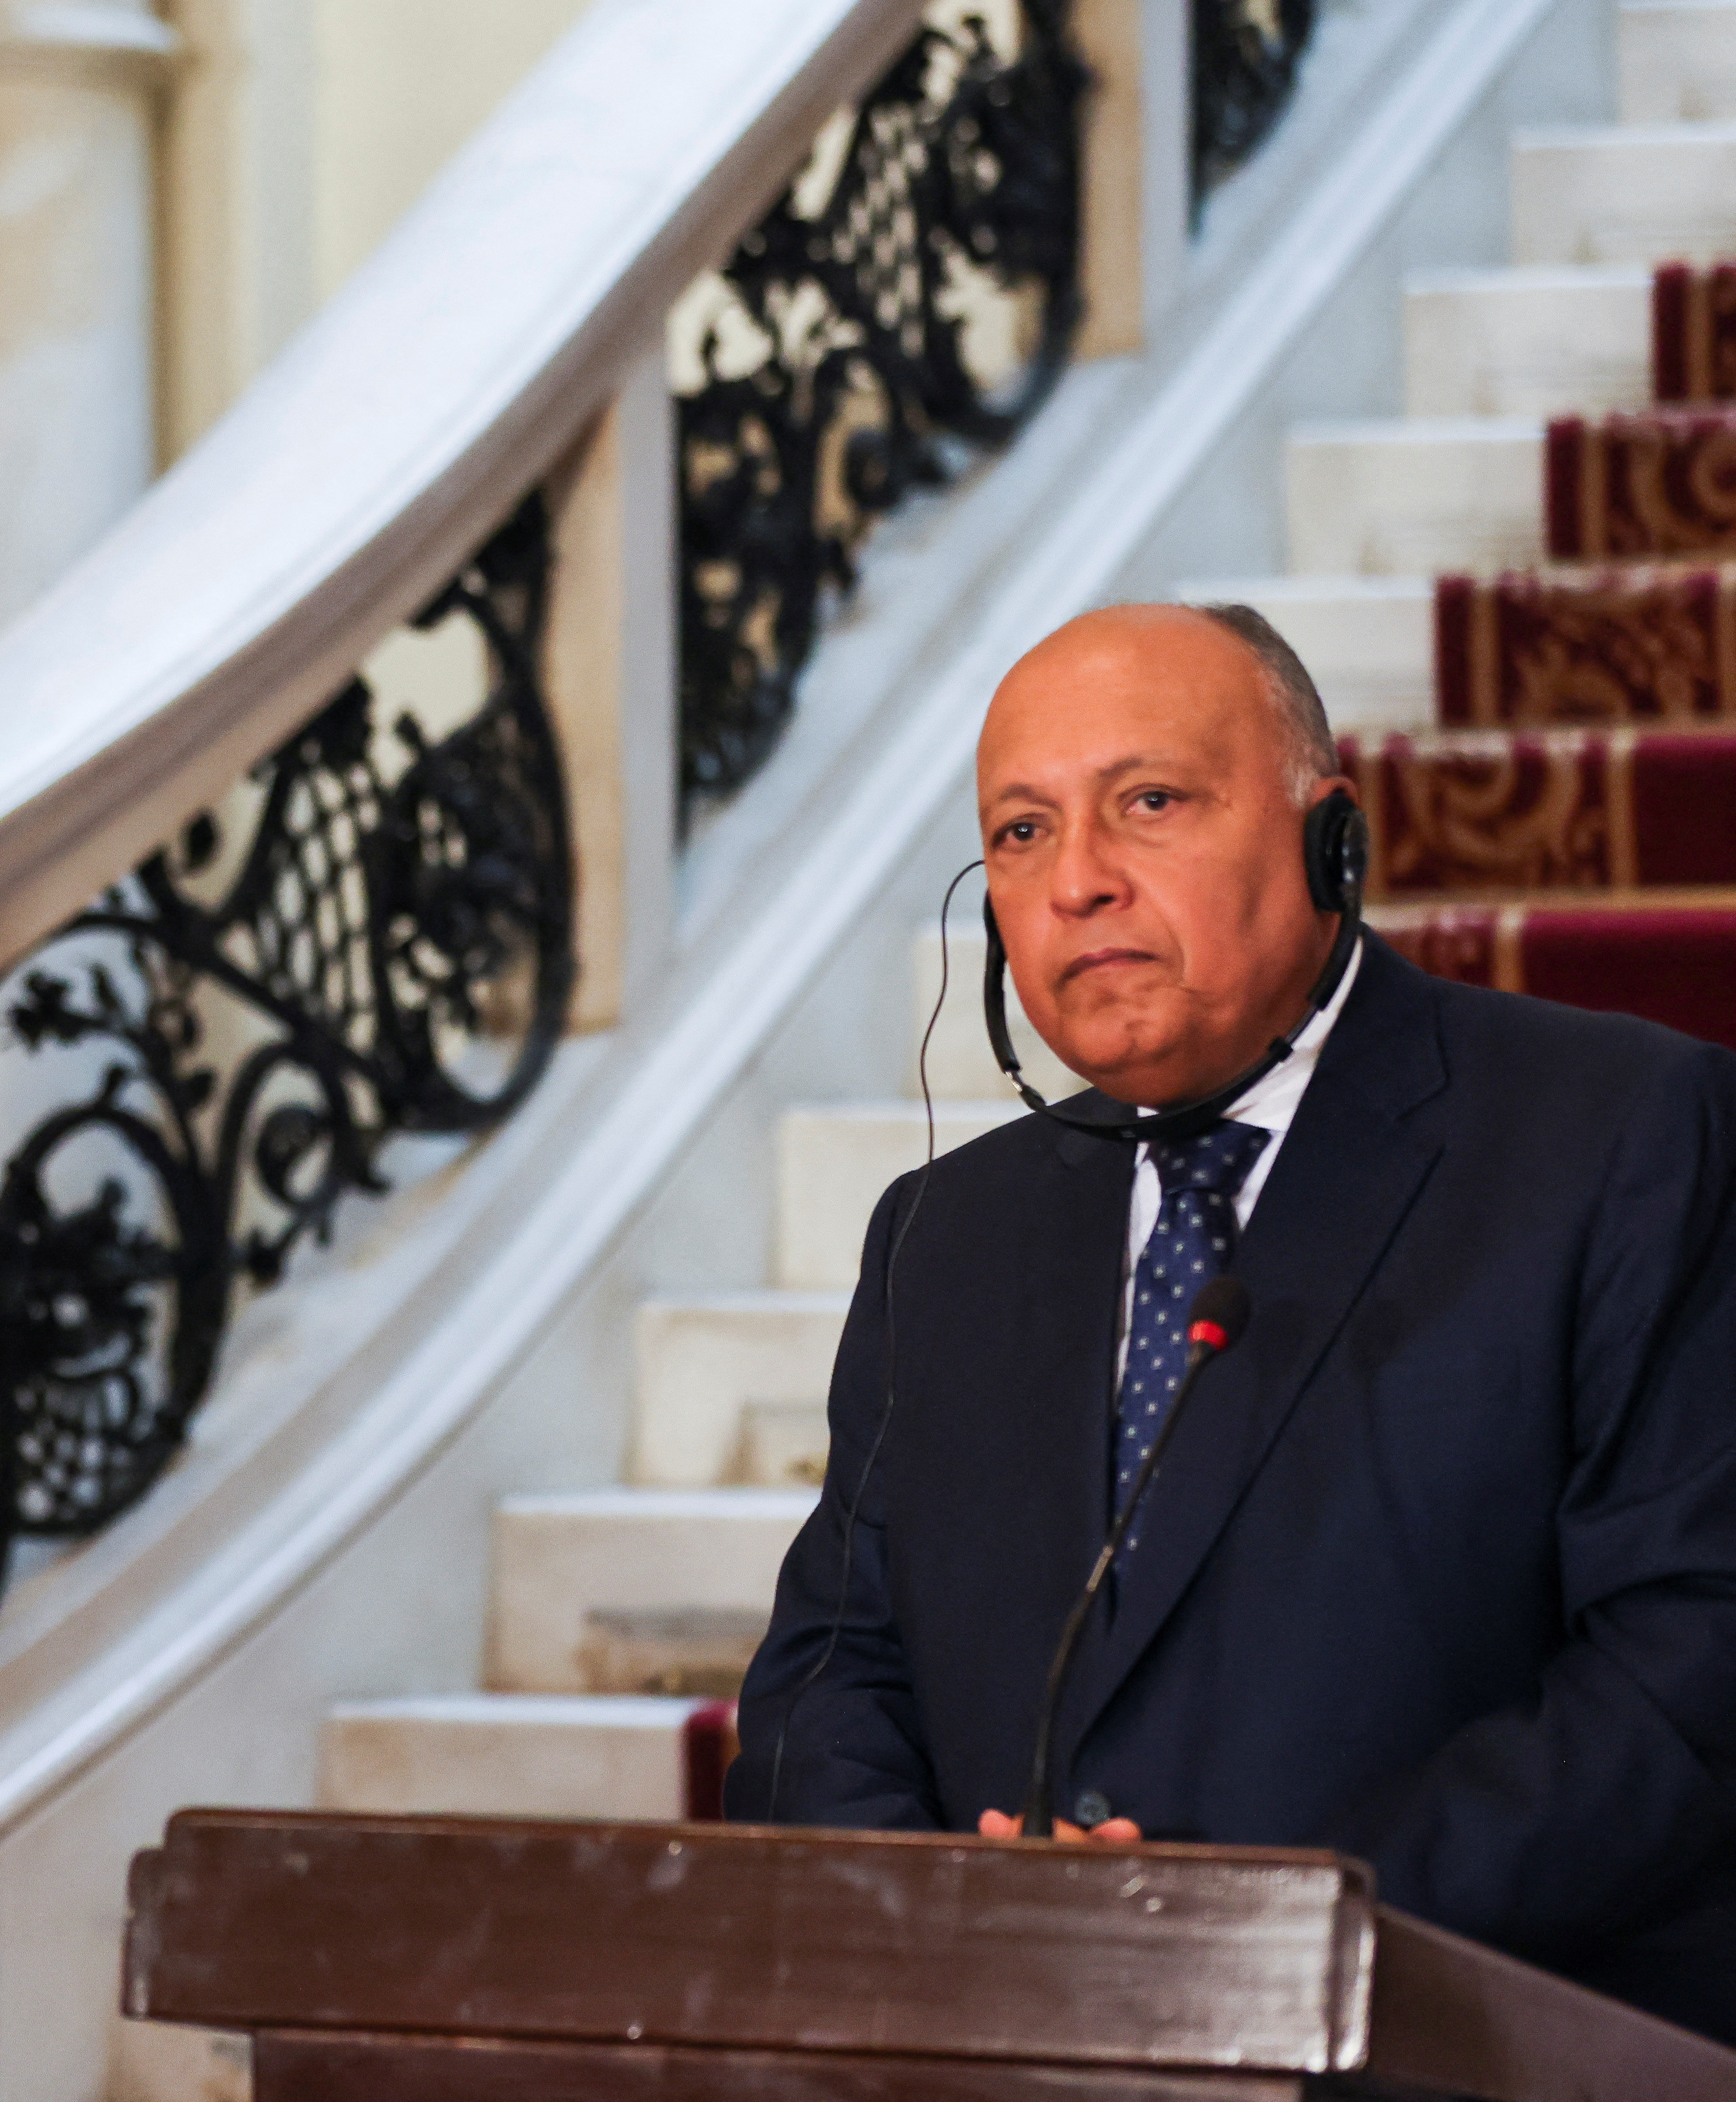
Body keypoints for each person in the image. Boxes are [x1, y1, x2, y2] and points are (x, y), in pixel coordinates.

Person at [730, 604, 1736, 2038]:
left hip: (1445, 2043)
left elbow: (1687, 1676)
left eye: (1148, 802)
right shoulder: (941, 1233)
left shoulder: (1619, 1135)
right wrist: (953, 1935)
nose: (1077, 880)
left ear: (1332, 841)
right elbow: (826, 1682)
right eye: (1020, 832)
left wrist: (1251, 1941)